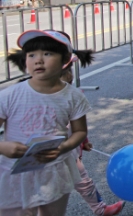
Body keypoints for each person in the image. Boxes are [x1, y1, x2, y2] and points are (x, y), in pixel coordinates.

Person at [0, 30, 94, 215]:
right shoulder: (9, 96)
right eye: (31, 55)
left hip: (53, 171)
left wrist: (63, 147)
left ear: (65, 59)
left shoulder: (73, 96)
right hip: (13, 172)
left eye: (47, 54)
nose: (38, 60)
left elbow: (80, 132)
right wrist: (3, 148)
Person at [60, 66, 125, 216]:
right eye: (63, 73)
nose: (69, 75)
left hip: (70, 152)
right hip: (53, 155)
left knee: (83, 181)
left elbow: (78, 125)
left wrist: (84, 141)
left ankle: (100, 208)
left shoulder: (73, 95)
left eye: (69, 70)